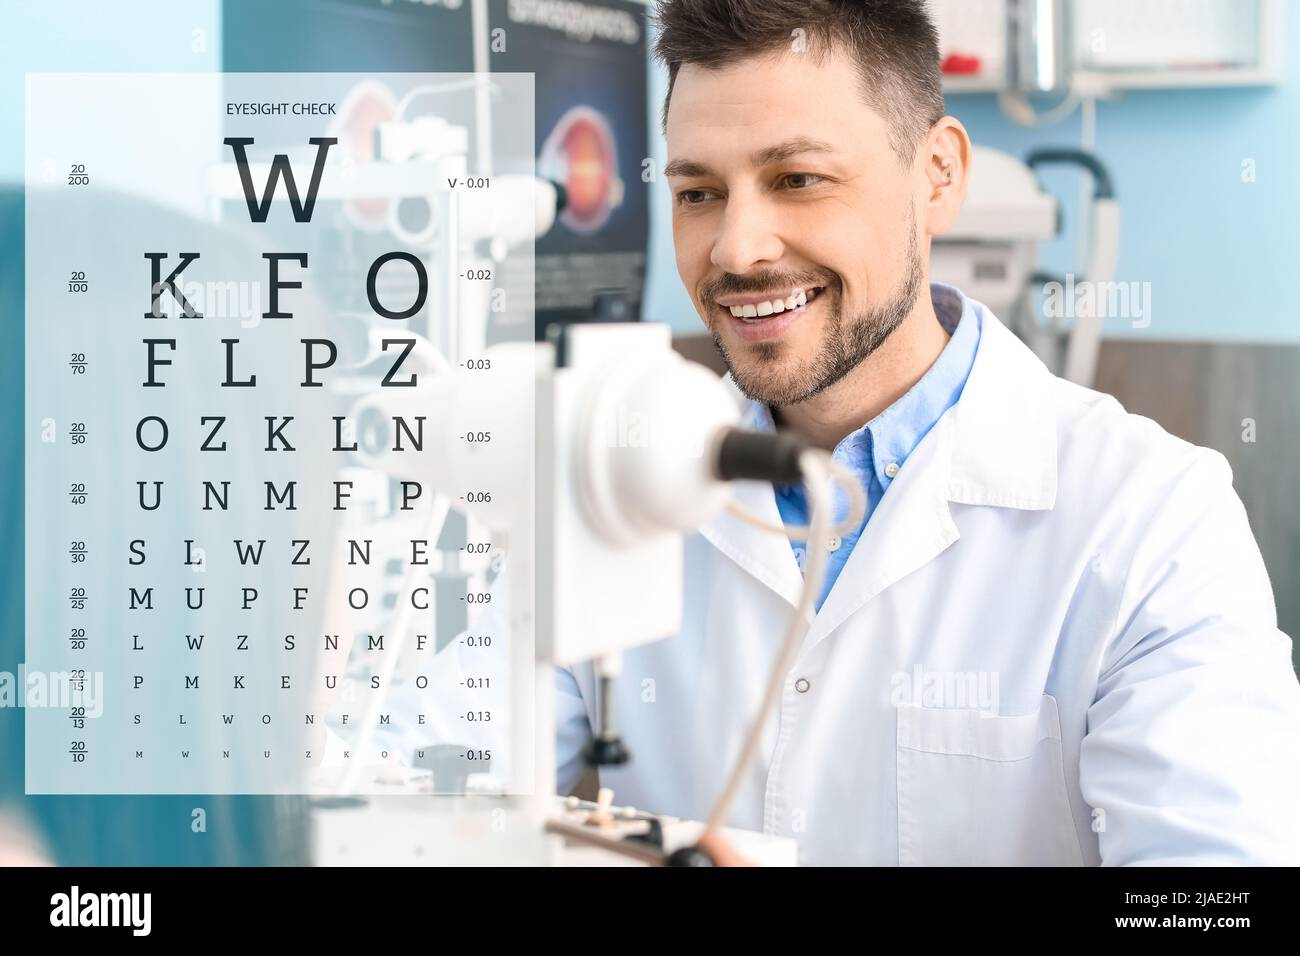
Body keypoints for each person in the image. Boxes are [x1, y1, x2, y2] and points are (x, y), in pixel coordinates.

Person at [533, 0, 1300, 865]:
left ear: (937, 175)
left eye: (798, 179)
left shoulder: (1151, 519)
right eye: (698, 193)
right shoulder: (604, 483)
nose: (737, 250)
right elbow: (447, 787)